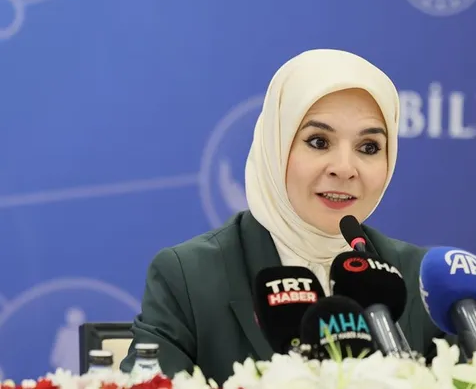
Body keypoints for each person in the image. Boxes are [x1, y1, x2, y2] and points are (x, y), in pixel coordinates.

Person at [119, 49, 456, 383]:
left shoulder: (420, 280)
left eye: (368, 147)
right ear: (276, 147)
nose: (344, 168)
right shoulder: (190, 277)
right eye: (319, 141)